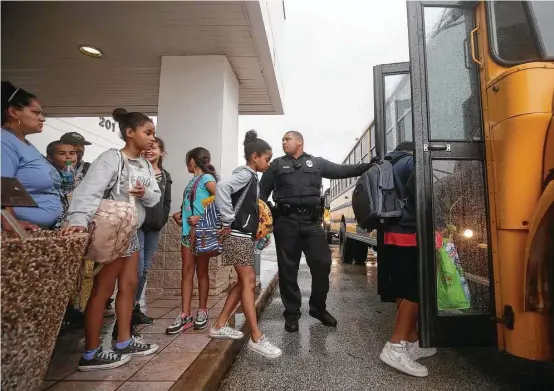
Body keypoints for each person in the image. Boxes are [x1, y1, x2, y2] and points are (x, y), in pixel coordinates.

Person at [62, 108, 161, 371]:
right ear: (130, 133)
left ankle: (123, 341)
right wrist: (78, 222)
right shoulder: (110, 159)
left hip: (131, 234)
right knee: (103, 291)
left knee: (129, 287)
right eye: (147, 132)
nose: (152, 138)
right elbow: (88, 192)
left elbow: (155, 197)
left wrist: (143, 194)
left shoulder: (144, 165)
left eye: (153, 134)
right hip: (111, 234)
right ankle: (92, 352)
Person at [259, 130, 371, 333]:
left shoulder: (316, 163)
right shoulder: (276, 165)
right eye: (282, 139)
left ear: (299, 142)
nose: (283, 142)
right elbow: (261, 193)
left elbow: (342, 170)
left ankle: (318, 308)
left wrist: (369, 166)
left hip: (312, 223)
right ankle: (292, 314)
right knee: (288, 270)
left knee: (323, 263)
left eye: (287, 139)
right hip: (286, 222)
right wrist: (266, 213)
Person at [211, 130, 282, 359]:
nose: (268, 163)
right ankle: (256, 337)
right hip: (237, 234)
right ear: (254, 157)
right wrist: (228, 218)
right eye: (266, 158)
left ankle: (220, 324)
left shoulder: (251, 177)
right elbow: (222, 188)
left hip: (242, 235)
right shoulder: (246, 175)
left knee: (244, 282)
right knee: (248, 281)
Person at [378, 141, 435, 377]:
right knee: (414, 291)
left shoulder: (387, 164)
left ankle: (411, 339)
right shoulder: (412, 162)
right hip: (410, 233)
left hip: (392, 233)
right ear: (412, 151)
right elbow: (422, 194)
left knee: (403, 288)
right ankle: (396, 345)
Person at [166, 147, 217, 335]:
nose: (187, 164)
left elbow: (219, 200)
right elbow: (193, 205)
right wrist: (180, 214)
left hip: (202, 234)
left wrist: (200, 217)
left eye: (188, 160)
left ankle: (202, 311)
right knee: (186, 272)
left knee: (202, 272)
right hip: (188, 235)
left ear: (193, 161)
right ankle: (185, 314)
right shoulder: (192, 182)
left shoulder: (207, 179)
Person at [1, 81, 62, 232]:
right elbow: (2, 184)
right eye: (36, 112)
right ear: (13, 112)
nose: (42, 118)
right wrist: (10, 223)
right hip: (20, 233)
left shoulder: (26, 144)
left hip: (43, 227)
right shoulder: (4, 141)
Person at [132, 137, 172, 325]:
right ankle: (129, 308)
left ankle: (136, 307)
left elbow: (166, 202)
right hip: (137, 226)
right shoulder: (136, 171)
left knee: (145, 269)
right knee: (137, 270)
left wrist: (162, 219)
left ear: (162, 152)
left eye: (154, 148)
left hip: (154, 229)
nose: (149, 151)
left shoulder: (165, 175)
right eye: (147, 147)